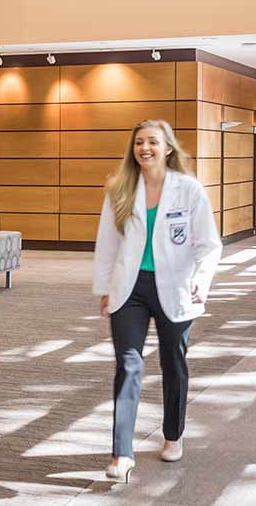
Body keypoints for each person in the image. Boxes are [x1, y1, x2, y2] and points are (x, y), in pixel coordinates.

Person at [93, 120, 223, 481]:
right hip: (130, 289)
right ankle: (122, 452)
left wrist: (201, 281)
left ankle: (172, 435)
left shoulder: (188, 190)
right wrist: (105, 287)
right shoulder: (119, 189)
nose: (144, 148)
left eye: (152, 141)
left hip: (176, 286)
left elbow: (209, 245)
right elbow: (107, 245)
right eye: (138, 142)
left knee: (173, 362)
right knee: (128, 365)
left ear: (168, 148)